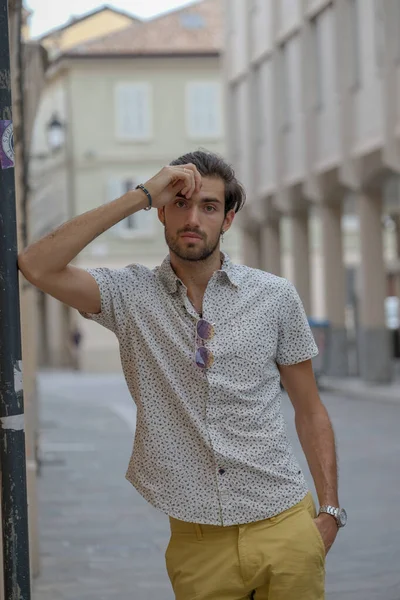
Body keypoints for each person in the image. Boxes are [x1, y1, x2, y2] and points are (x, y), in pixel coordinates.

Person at [19, 150, 347, 600]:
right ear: (162, 213)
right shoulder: (127, 295)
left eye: (209, 206)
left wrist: (328, 510)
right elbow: (37, 265)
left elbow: (310, 410)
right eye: (179, 203)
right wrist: (141, 195)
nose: (193, 218)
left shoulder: (274, 297)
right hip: (198, 545)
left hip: (285, 524)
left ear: (228, 219)